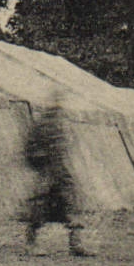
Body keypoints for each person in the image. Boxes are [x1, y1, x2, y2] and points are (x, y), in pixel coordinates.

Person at [22, 100, 91, 255]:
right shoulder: (41, 129)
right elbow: (30, 152)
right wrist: (42, 166)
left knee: (71, 204)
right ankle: (31, 244)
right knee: (41, 208)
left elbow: (63, 151)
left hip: (60, 174)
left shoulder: (59, 128)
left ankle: (75, 243)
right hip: (48, 174)